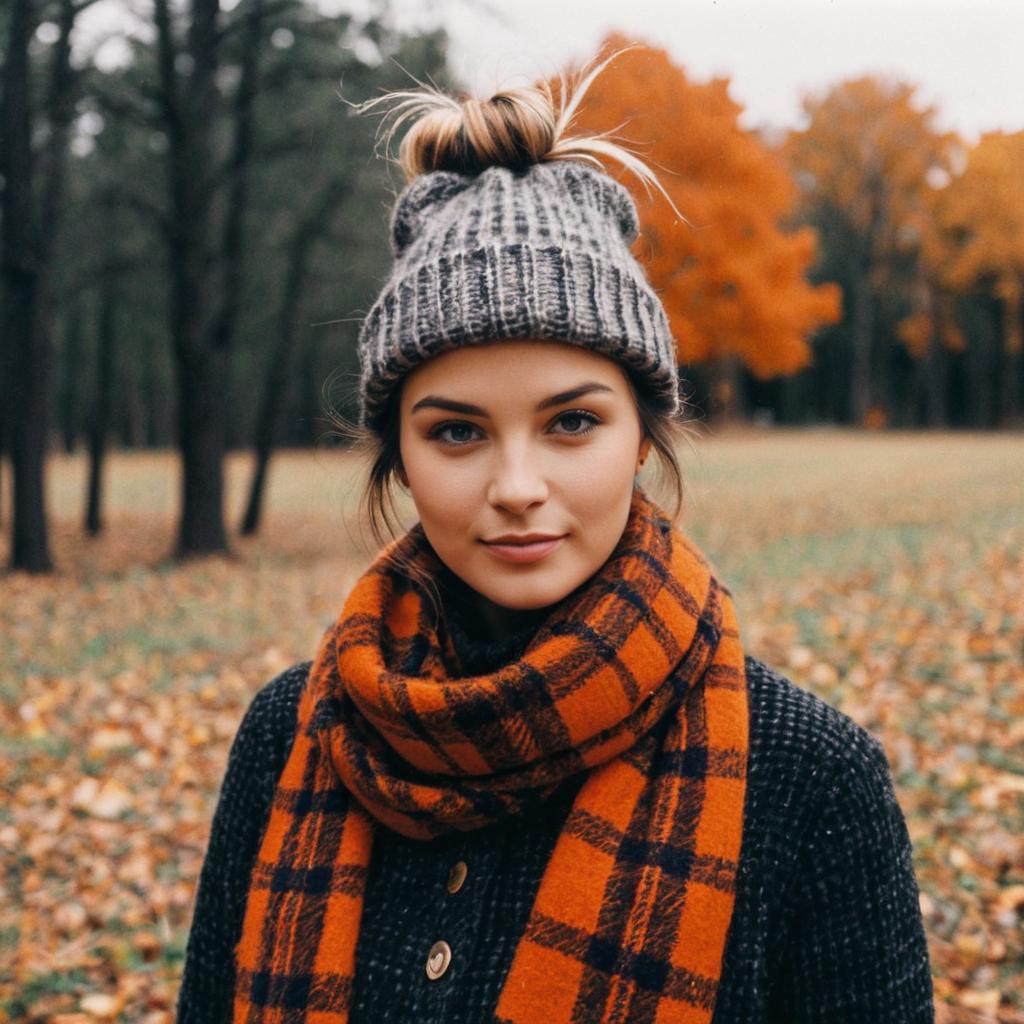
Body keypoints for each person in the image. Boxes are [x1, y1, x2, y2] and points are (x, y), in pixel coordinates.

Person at [177, 50, 935, 1024]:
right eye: (456, 431)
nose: (518, 487)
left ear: (641, 439)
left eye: (571, 422)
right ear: (399, 456)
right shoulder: (291, 736)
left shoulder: (807, 779)